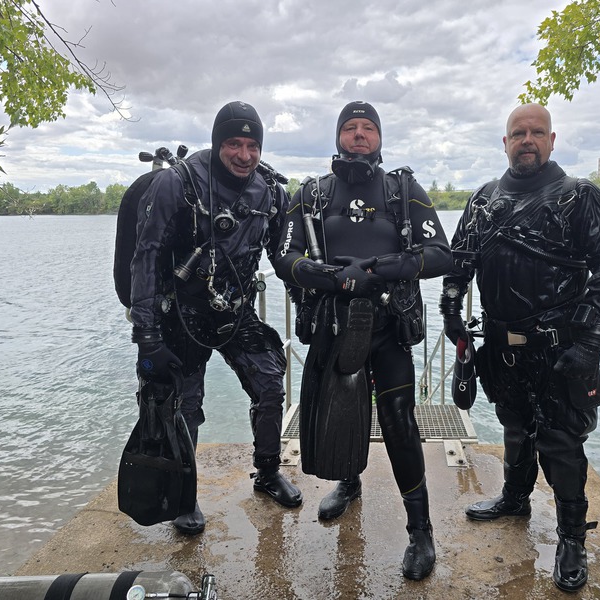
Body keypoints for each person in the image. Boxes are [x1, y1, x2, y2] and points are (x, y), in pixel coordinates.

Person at [440, 103, 600, 592]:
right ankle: (514, 498)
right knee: (514, 424)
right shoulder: (482, 200)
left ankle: (572, 538)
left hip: (560, 348)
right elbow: (459, 262)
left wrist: (591, 343)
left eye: (537, 132)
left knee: (561, 442)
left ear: (551, 140)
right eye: (518, 133)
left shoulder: (580, 197)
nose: (527, 140)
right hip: (502, 345)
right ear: (505, 143)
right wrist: (451, 313)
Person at [275, 101, 453, 580]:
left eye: (368, 127)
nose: (359, 134)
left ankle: (420, 530)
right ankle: (349, 483)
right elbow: (284, 256)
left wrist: (385, 268)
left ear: (379, 138)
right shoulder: (312, 193)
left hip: (388, 326)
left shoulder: (402, 190)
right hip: (334, 324)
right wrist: (329, 277)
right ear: (338, 137)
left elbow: (441, 253)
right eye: (350, 127)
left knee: (398, 421)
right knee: (342, 411)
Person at [130, 100, 302, 535]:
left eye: (252, 146)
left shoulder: (271, 192)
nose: (244, 155)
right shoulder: (177, 183)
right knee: (185, 405)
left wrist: (309, 305)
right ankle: (183, 494)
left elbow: (284, 260)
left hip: (234, 310)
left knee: (270, 383)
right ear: (216, 142)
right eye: (233, 144)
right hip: (180, 314)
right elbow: (145, 258)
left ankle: (267, 471)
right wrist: (147, 335)